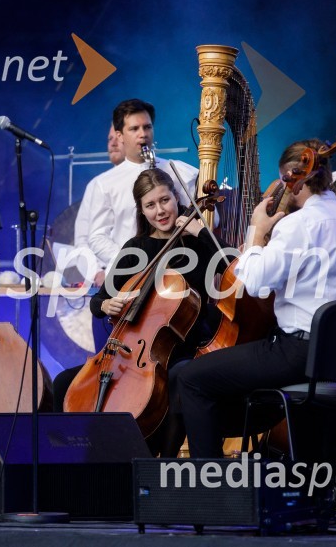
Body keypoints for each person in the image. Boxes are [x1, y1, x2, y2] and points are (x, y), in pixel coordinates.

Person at [176, 140, 336, 459]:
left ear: (290, 176)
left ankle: (209, 487)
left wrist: (256, 232)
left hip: (301, 355)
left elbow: (254, 282)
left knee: (190, 378)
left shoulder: (300, 225)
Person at [54, 168, 231, 457]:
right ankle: (70, 466)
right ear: (141, 210)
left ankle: (164, 461)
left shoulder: (198, 243)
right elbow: (98, 302)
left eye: (165, 200)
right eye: (150, 205)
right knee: (64, 382)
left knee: (178, 378)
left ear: (176, 198)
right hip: (132, 354)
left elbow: (232, 267)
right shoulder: (135, 248)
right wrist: (106, 305)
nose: (160, 211)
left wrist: (201, 231)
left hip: (181, 349)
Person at [85, 99, 199, 271]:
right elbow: (97, 236)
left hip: (181, 266)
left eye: (147, 127)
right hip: (132, 274)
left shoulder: (180, 170)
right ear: (119, 135)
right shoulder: (105, 183)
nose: (143, 134)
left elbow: (207, 219)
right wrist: (130, 259)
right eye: (134, 129)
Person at [73, 123, 125, 288]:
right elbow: (82, 240)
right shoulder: (97, 184)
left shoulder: (153, 179)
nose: (113, 144)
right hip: (107, 284)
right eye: (110, 139)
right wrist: (96, 272)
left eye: (118, 138)